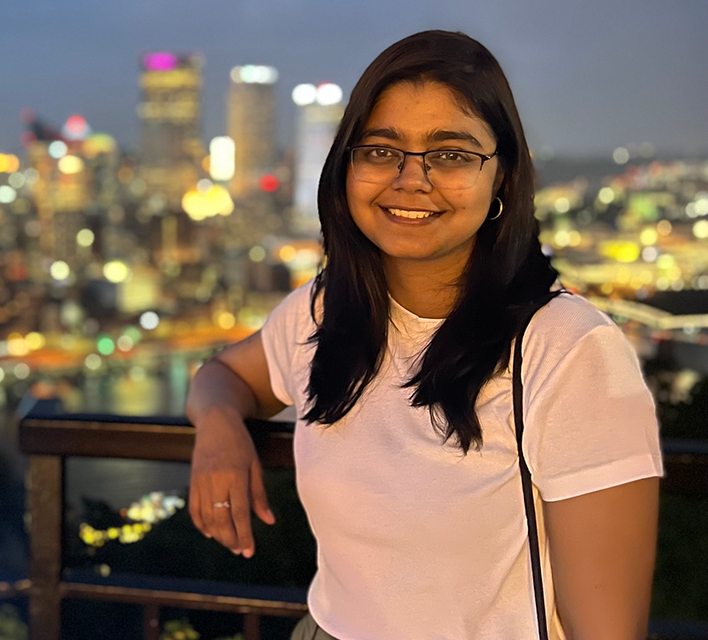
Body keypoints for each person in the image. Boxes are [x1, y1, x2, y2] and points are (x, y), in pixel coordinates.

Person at [185, 30, 663, 640]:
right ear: (346, 168)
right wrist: (221, 431)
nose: (412, 179)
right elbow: (222, 376)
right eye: (382, 150)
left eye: (452, 155)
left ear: (504, 179)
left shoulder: (568, 350)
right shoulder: (326, 312)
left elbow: (607, 631)